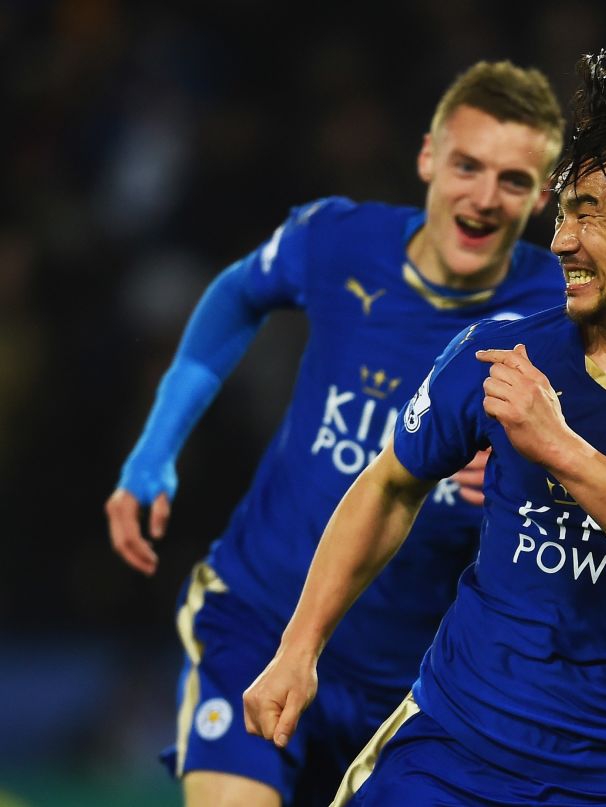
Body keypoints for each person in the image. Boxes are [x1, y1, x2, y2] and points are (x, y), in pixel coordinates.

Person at [243, 52, 606, 807]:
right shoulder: (504, 350)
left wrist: (559, 448)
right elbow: (389, 483)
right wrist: (298, 647)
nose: (560, 240)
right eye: (562, 212)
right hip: (449, 756)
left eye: (588, 212)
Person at [104, 60, 567, 807]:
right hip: (258, 625)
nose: (484, 197)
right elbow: (234, 296)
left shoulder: (561, 311)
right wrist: (154, 450)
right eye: (467, 166)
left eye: (513, 180)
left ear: (543, 195)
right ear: (428, 157)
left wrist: (541, 472)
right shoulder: (338, 240)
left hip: (424, 688)